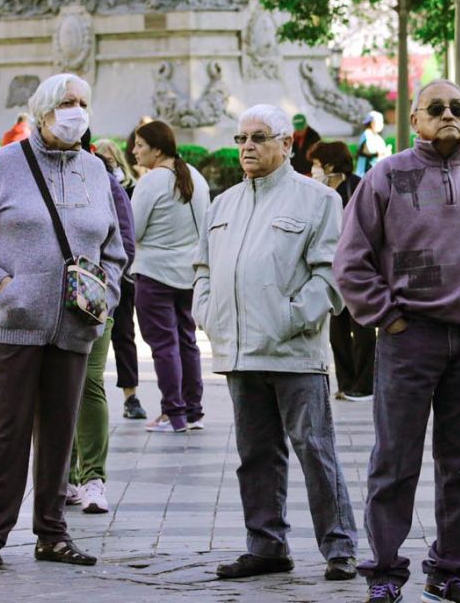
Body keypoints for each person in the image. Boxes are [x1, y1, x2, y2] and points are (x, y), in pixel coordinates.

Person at [335, 79, 460, 603]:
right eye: (437, 108)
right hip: (409, 340)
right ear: (415, 118)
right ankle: (384, 572)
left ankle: (449, 571)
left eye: (458, 108)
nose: (449, 115)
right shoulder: (385, 177)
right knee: (394, 462)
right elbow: (351, 260)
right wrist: (389, 319)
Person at [0, 73, 126, 569]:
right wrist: (3, 287)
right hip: (14, 325)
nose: (77, 111)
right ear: (43, 111)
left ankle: (52, 532)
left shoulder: (95, 171)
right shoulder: (5, 165)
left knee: (60, 433)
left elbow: (114, 247)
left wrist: (105, 293)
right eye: (67, 102)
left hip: (75, 326)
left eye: (83, 103)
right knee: (5, 432)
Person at [193, 104, 358, 582]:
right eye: (241, 139)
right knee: (255, 455)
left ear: (287, 145)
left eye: (259, 138)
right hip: (238, 351)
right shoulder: (222, 204)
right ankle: (266, 546)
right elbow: (202, 270)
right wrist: (209, 314)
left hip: (294, 351)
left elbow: (332, 277)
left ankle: (339, 546)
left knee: (314, 450)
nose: (247, 147)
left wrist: (289, 318)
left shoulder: (319, 200)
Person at [63, 132, 136, 515]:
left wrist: (106, 293)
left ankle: (92, 478)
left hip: (92, 298)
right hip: (43, 302)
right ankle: (65, 478)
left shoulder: (103, 181)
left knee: (88, 381)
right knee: (57, 386)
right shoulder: (30, 175)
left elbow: (125, 241)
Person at [130, 120, 210, 433]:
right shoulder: (196, 177)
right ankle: (193, 411)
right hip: (188, 274)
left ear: (157, 149)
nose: (134, 151)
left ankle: (173, 414)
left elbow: (132, 231)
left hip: (154, 274)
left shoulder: (151, 183)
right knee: (187, 341)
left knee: (164, 345)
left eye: (139, 145)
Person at [306, 140, 375, 401]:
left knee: (363, 330)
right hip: (333, 272)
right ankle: (346, 384)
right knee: (338, 332)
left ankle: (365, 384)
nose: (314, 169)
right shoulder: (318, 192)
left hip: (360, 270)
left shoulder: (358, 187)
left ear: (330, 165)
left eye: (316, 164)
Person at [93, 138, 146, 419]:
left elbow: (128, 233)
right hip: (93, 279)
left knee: (124, 334)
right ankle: (91, 389)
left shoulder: (124, 188)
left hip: (118, 277)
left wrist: (116, 273)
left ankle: (131, 395)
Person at [355, 110, 390, 176]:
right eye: (380, 122)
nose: (382, 124)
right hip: (365, 172)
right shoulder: (367, 134)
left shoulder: (376, 137)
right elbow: (367, 151)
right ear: (372, 123)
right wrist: (381, 153)